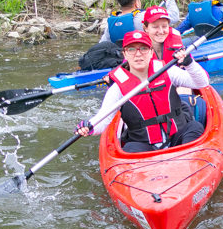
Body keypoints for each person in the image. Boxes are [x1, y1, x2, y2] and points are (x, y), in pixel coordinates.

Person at [75, 31, 209, 152]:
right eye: (132, 49)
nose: (138, 54)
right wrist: (89, 126)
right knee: (129, 148)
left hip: (177, 136)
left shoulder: (168, 71)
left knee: (194, 127)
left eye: (144, 48)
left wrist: (189, 63)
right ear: (125, 54)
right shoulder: (117, 88)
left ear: (151, 52)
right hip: (143, 145)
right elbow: (103, 120)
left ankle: (188, 156)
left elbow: (202, 83)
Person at [99, 0, 180, 44]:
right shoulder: (144, 16)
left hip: (120, 57)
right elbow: (174, 16)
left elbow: (102, 44)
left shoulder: (111, 22)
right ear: (137, 3)